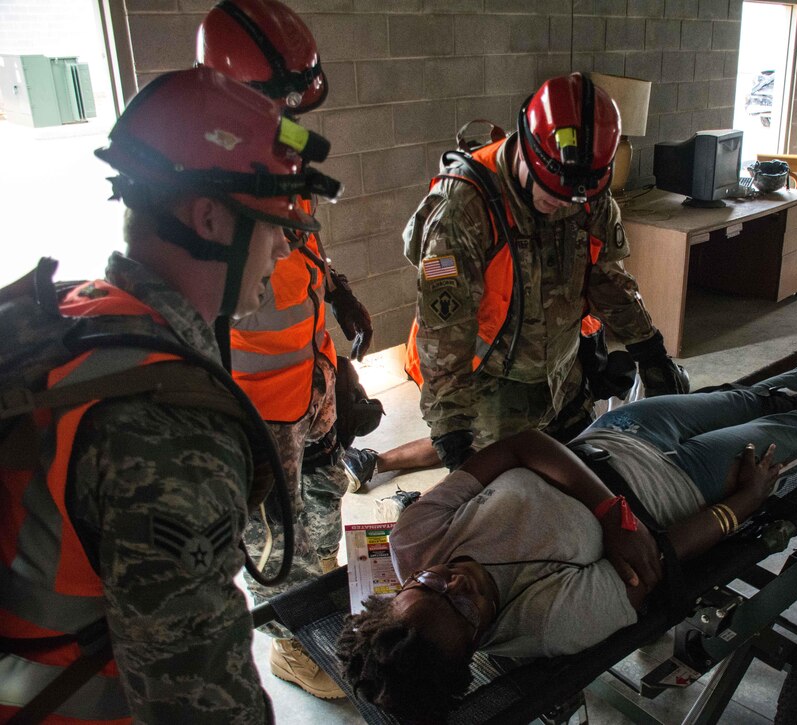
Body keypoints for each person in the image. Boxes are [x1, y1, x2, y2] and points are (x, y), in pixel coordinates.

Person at [337, 307, 797, 719]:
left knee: (756, 396)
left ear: (397, 592)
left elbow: (521, 444)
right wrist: (742, 506)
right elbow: (659, 558)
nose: (454, 579)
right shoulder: (546, 626)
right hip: (686, 484)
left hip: (624, 428)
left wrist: (608, 516)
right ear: (474, 644)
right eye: (463, 604)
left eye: (429, 585)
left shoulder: (415, 540)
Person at [0, 67, 340, 722]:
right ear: (209, 218)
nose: (280, 247)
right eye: (271, 223)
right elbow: (201, 703)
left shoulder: (83, 315)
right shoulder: (170, 432)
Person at [197, 0, 376, 699]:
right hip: (254, 411)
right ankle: (287, 645)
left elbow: (298, 233)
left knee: (324, 505)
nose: (291, 119)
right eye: (279, 102)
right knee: (274, 534)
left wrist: (339, 293)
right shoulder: (197, 177)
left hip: (310, 382)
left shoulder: (278, 145)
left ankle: (318, 612)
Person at [402, 72, 687, 474]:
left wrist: (648, 348)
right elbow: (443, 333)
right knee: (506, 507)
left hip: (563, 377)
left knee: (583, 484)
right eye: (550, 194)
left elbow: (606, 278)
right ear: (526, 151)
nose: (562, 205)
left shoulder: (585, 189)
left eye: (574, 198)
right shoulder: (461, 211)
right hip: (491, 389)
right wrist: (452, 436)